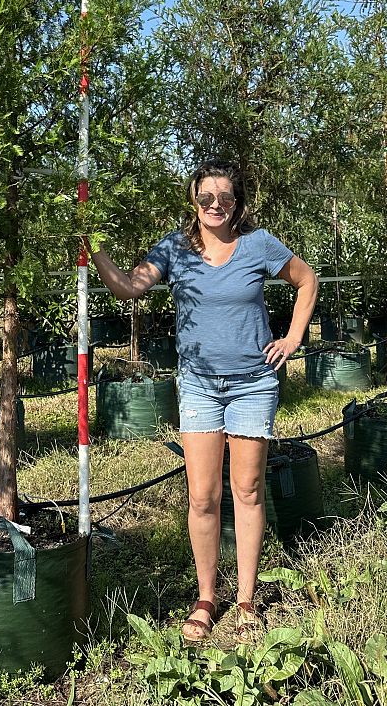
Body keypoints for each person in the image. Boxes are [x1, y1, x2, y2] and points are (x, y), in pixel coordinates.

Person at [87, 159, 318, 642]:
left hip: (253, 382)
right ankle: (206, 596)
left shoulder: (257, 245)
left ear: (238, 205)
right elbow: (130, 286)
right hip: (198, 385)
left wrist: (294, 337)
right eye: (206, 197)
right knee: (202, 495)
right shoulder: (175, 247)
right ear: (193, 199)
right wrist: (93, 250)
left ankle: (247, 599)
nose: (215, 205)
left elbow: (306, 278)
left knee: (249, 491)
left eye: (225, 199)